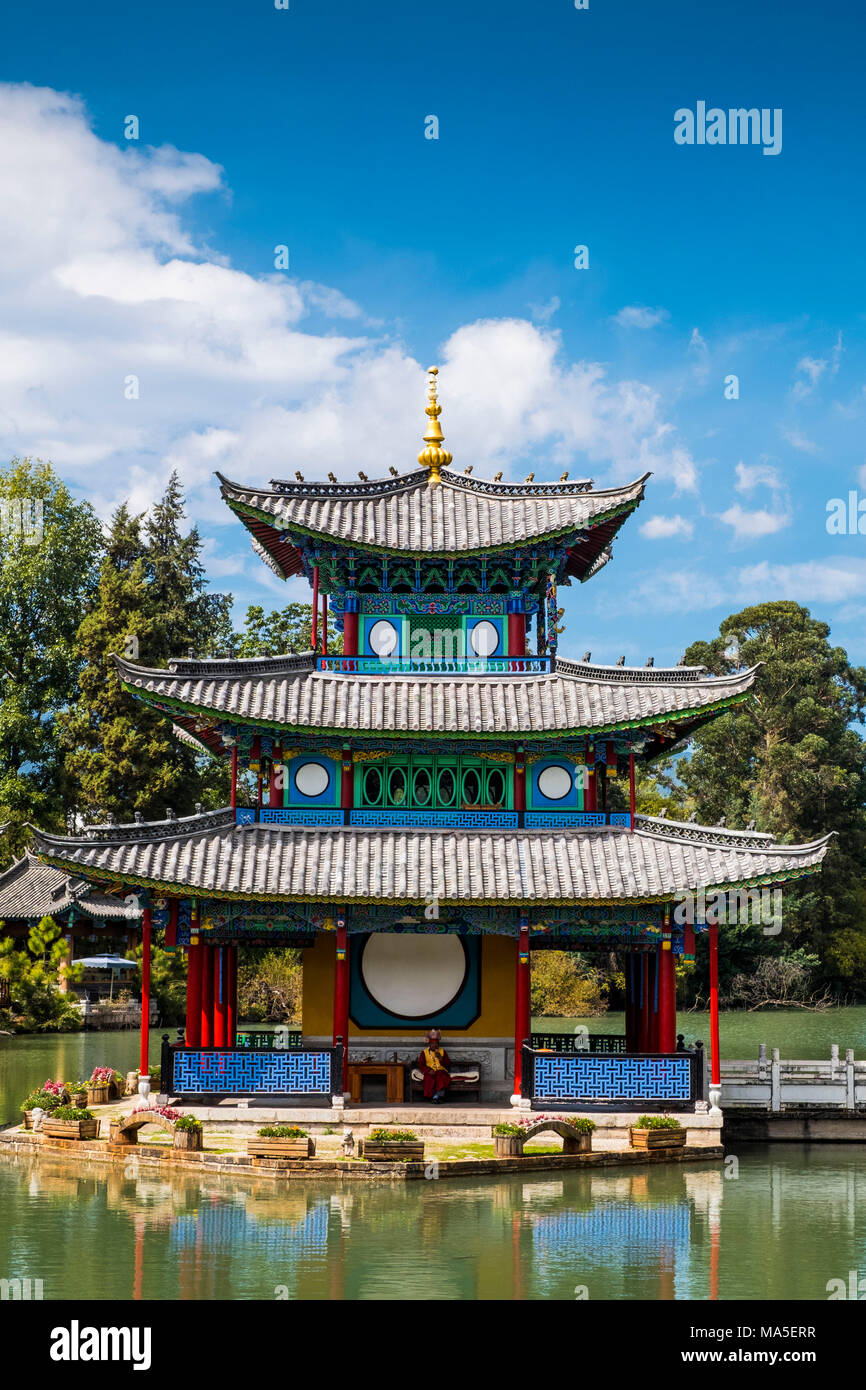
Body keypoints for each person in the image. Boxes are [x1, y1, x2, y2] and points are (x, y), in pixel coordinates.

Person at [417, 1029, 451, 1103]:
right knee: (429, 1078)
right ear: (429, 1044)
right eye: (432, 1043)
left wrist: (441, 1058)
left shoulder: (442, 1051)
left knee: (441, 1076)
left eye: (436, 1044)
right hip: (430, 1071)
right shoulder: (424, 1052)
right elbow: (421, 1064)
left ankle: (439, 1096)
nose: (434, 1045)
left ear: (438, 1045)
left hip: (440, 1070)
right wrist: (428, 1070)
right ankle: (433, 1097)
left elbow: (448, 1063)